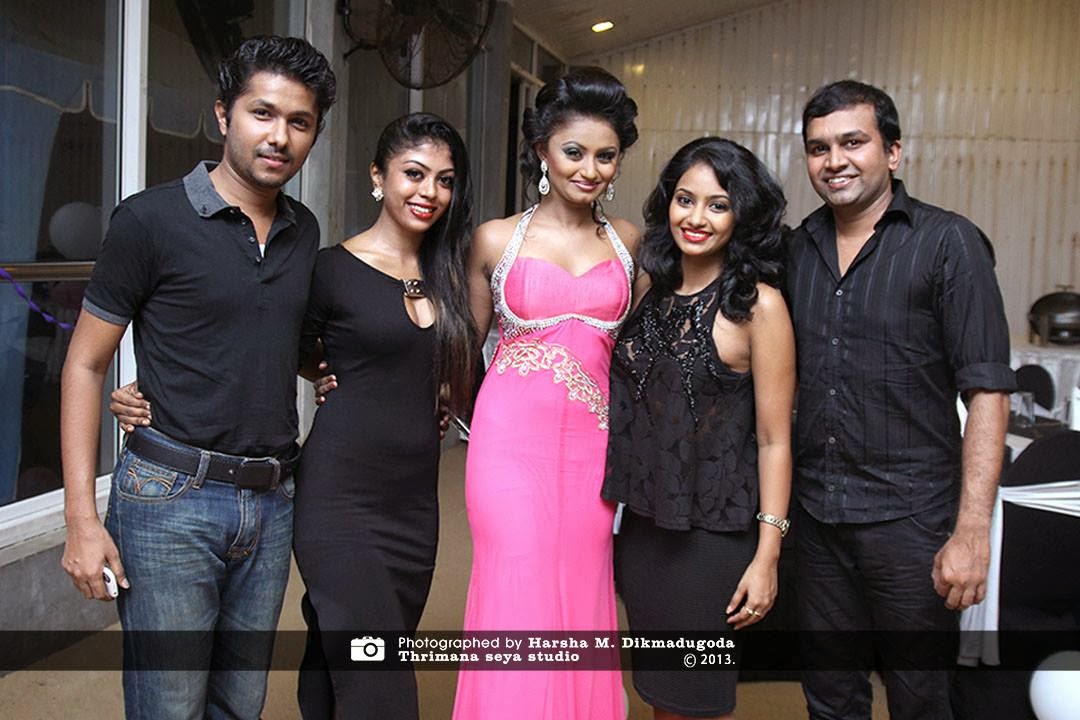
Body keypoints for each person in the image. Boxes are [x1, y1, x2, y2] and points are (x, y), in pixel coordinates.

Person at [59, 36, 336, 720]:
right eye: (262, 113)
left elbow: (275, 336)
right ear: (223, 114)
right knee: (170, 706)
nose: (279, 136)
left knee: (241, 704)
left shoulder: (303, 229)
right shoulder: (149, 220)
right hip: (169, 499)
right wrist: (81, 521)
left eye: (299, 122)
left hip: (272, 501)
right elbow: (85, 364)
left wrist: (334, 372)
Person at [787, 80, 1014, 720]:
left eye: (852, 142)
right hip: (818, 516)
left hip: (912, 523)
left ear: (893, 152)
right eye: (818, 148)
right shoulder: (797, 249)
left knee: (920, 699)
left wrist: (972, 532)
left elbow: (989, 390)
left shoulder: (948, 243)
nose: (834, 160)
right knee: (830, 698)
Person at [452, 66, 641, 720]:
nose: (590, 170)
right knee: (517, 593)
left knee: (583, 590)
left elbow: (643, 355)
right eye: (574, 152)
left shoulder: (629, 243)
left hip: (594, 454)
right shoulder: (496, 239)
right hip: (507, 451)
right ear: (541, 150)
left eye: (605, 156)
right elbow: (460, 354)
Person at [603, 137, 795, 720]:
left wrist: (767, 557)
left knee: (693, 702)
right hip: (642, 529)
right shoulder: (648, 288)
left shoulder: (759, 307)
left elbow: (775, 440)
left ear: (742, 215)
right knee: (660, 697)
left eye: (718, 204)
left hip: (711, 538)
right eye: (685, 199)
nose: (696, 218)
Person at [293, 112, 476, 720]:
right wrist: (322, 374)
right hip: (339, 494)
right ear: (378, 176)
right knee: (378, 671)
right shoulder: (331, 268)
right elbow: (277, 348)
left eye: (444, 180)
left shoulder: (449, 273)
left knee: (344, 651)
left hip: (414, 502)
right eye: (414, 174)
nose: (430, 192)